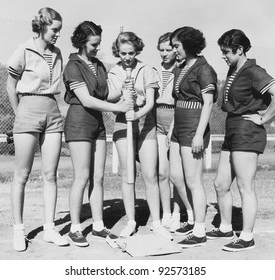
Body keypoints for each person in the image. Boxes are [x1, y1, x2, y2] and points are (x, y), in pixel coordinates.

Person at [206, 29, 275, 252]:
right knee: (221, 184)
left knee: (245, 186)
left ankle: (246, 237)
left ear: (240, 49)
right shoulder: (234, 69)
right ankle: (224, 227)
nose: (223, 55)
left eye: (226, 52)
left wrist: (265, 117)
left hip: (247, 130)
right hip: (232, 128)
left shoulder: (253, 71)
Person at [63, 21, 132, 247]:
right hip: (79, 121)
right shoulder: (72, 66)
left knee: (98, 177)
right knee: (82, 177)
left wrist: (123, 90)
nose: (97, 47)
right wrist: (119, 108)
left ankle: (98, 225)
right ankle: (75, 228)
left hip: (97, 123)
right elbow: (87, 99)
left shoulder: (99, 65)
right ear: (82, 42)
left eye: (99, 43)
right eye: (94, 44)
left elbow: (104, 95)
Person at [6, 7, 68, 251]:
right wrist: (19, 113)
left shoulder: (58, 52)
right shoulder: (23, 49)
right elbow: (11, 86)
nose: (57, 34)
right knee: (22, 174)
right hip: (27, 108)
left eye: (59, 31)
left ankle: (50, 229)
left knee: (50, 174)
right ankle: (18, 230)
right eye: (54, 30)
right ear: (42, 26)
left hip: (52, 111)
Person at [107, 31, 173, 240]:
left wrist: (136, 113)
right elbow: (109, 98)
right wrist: (121, 90)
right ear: (118, 51)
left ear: (137, 50)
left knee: (150, 174)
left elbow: (151, 102)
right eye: (123, 53)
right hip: (122, 124)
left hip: (145, 124)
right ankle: (132, 221)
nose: (127, 57)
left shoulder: (147, 70)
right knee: (128, 174)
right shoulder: (113, 72)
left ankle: (157, 221)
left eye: (131, 53)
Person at [169, 26, 218, 247]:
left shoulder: (204, 69)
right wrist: (173, 128)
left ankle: (199, 231)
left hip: (193, 128)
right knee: (176, 177)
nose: (174, 50)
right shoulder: (180, 68)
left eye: (176, 46)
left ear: (188, 45)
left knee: (194, 181)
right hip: (178, 128)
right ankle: (191, 218)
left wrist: (199, 134)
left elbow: (208, 103)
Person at [155, 32, 194, 233]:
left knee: (176, 174)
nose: (165, 53)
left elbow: (180, 101)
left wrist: (172, 129)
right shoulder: (153, 71)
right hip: (156, 121)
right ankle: (166, 214)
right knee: (162, 172)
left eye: (169, 49)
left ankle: (179, 214)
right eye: (161, 50)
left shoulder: (181, 71)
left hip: (175, 120)